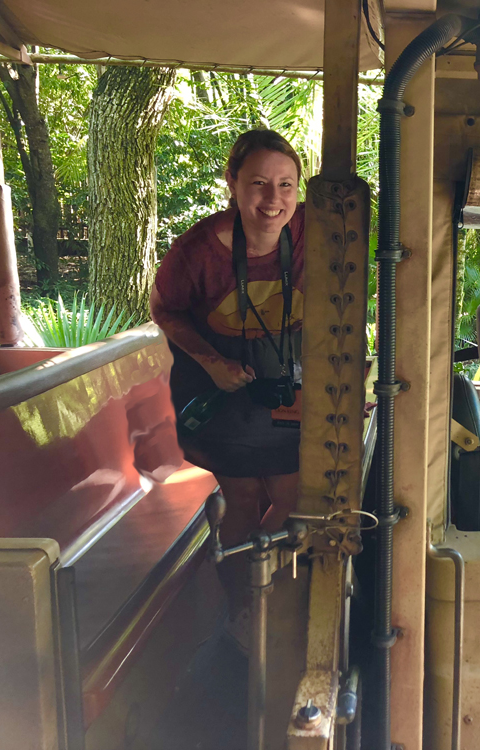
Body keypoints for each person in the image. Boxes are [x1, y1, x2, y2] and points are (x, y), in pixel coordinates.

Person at [150, 129, 305, 644]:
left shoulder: (314, 233)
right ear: (232, 184)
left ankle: (266, 598)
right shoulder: (197, 251)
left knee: (293, 494)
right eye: (259, 183)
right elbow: (165, 310)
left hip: (285, 384)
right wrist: (212, 361)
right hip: (225, 393)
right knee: (242, 499)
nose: (273, 199)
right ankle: (242, 609)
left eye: (286, 185)